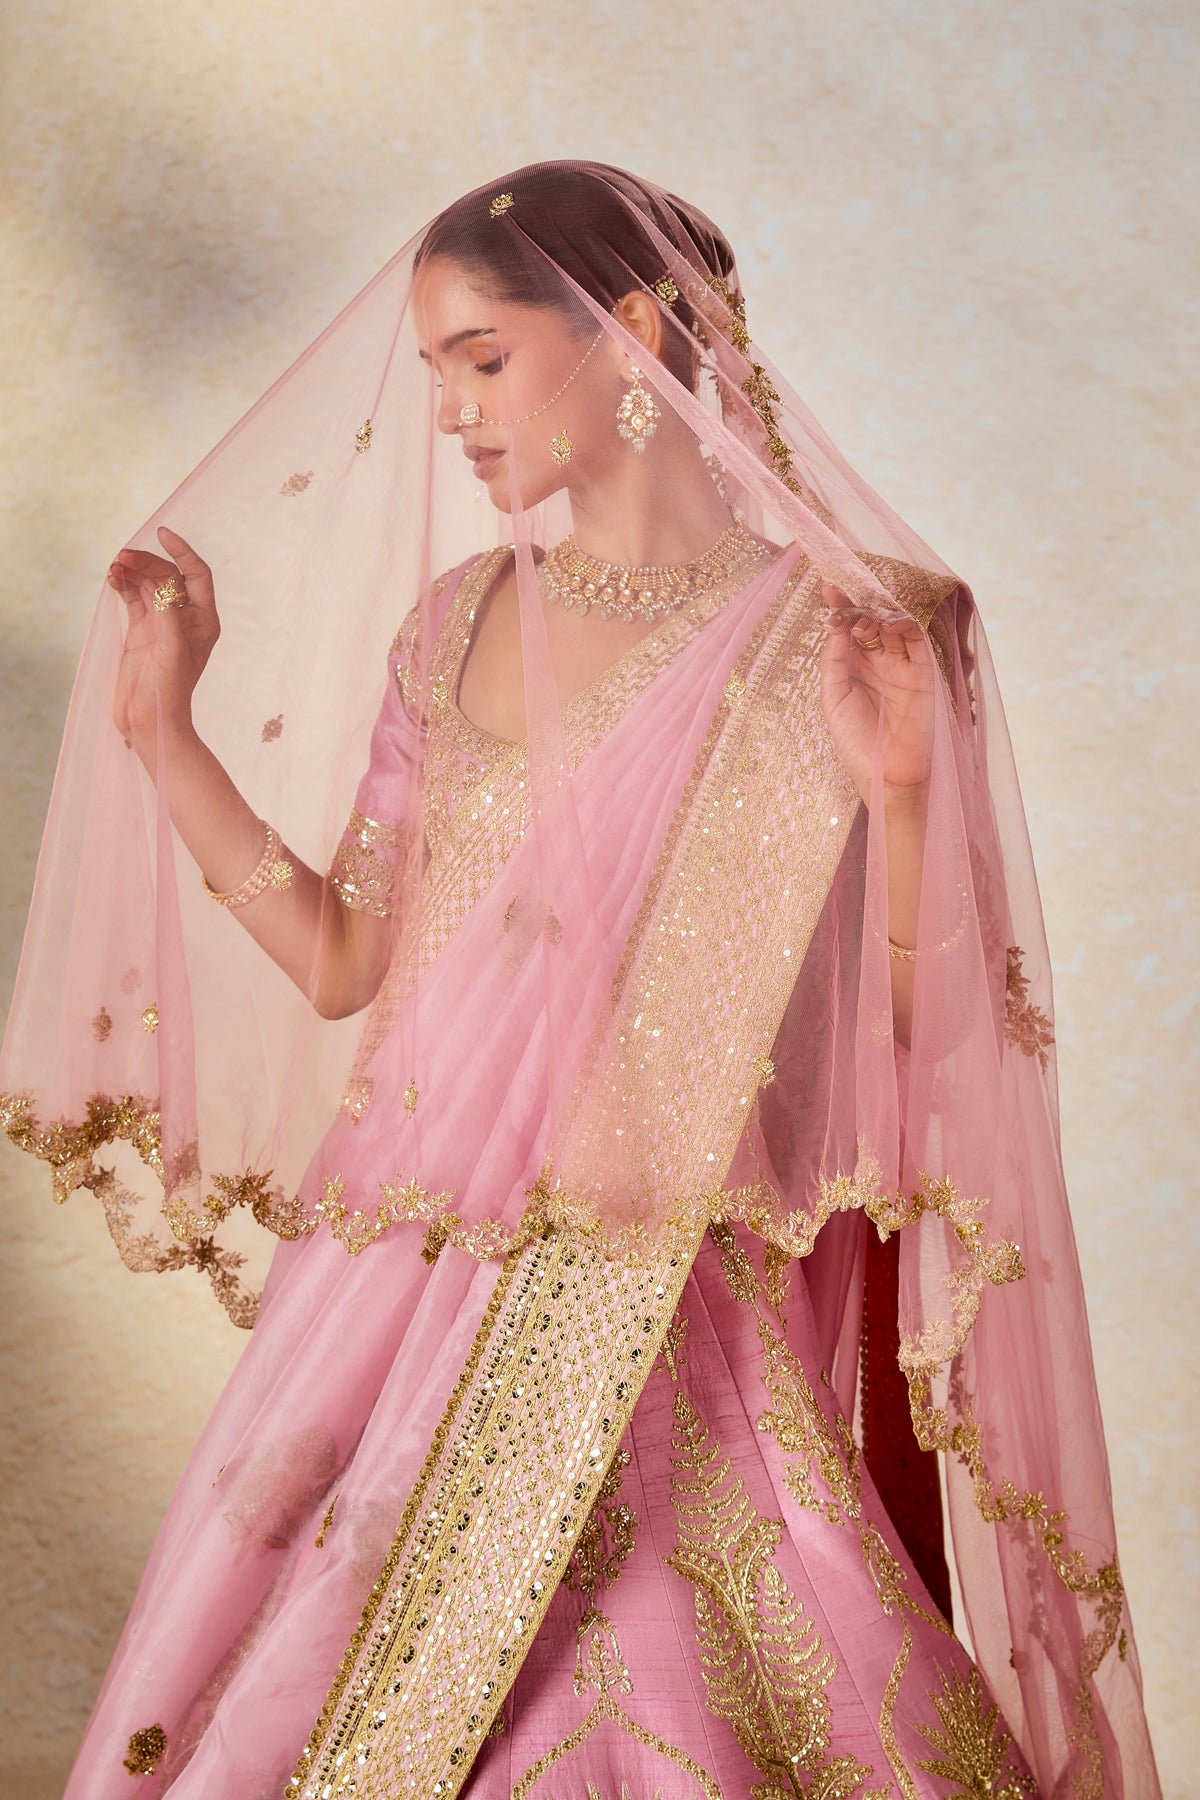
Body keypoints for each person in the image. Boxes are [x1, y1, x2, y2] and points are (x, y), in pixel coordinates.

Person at [0, 161, 1159, 1799]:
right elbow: (347, 961)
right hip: (404, 1304)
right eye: (434, 370)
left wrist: (902, 798)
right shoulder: (456, 624)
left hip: (676, 1310)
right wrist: (166, 736)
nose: (452, 414)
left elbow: (928, 1052)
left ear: (630, 333)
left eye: (484, 358)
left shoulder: (848, 634)